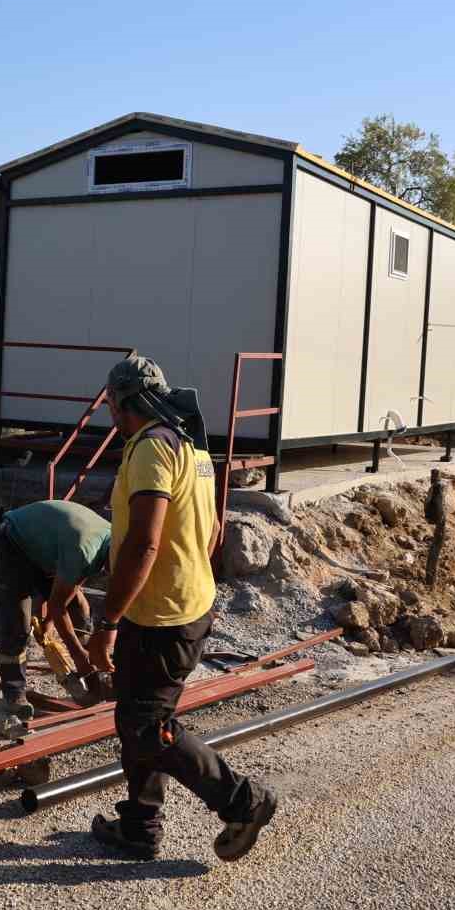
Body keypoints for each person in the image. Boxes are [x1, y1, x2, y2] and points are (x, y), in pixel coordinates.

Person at [86, 355, 277, 863]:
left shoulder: (150, 450)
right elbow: (213, 531)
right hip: (183, 603)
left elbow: (143, 545)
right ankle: (139, 827)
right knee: (136, 717)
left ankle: (244, 800)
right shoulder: (191, 447)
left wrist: (107, 621)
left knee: (150, 726)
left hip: (161, 617)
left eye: (110, 403)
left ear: (119, 402)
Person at [0, 499, 112, 719]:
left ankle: (90, 677)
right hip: (15, 541)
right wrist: (77, 653)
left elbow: (74, 582)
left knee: (79, 609)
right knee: (18, 622)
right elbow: (58, 605)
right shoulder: (85, 548)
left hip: (45, 547)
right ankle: (13, 693)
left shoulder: (109, 540)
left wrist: (49, 622)